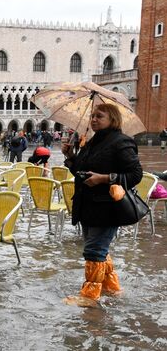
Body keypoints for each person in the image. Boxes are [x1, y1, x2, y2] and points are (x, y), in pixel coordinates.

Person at [62, 103, 142, 307]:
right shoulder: (93, 142)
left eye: (99, 116)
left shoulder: (121, 142)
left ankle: (90, 297)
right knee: (99, 249)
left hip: (107, 207)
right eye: (92, 116)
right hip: (87, 206)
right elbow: (80, 173)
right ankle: (112, 288)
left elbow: (135, 175)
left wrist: (104, 178)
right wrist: (70, 156)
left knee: (94, 251)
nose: (94, 119)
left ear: (112, 119)